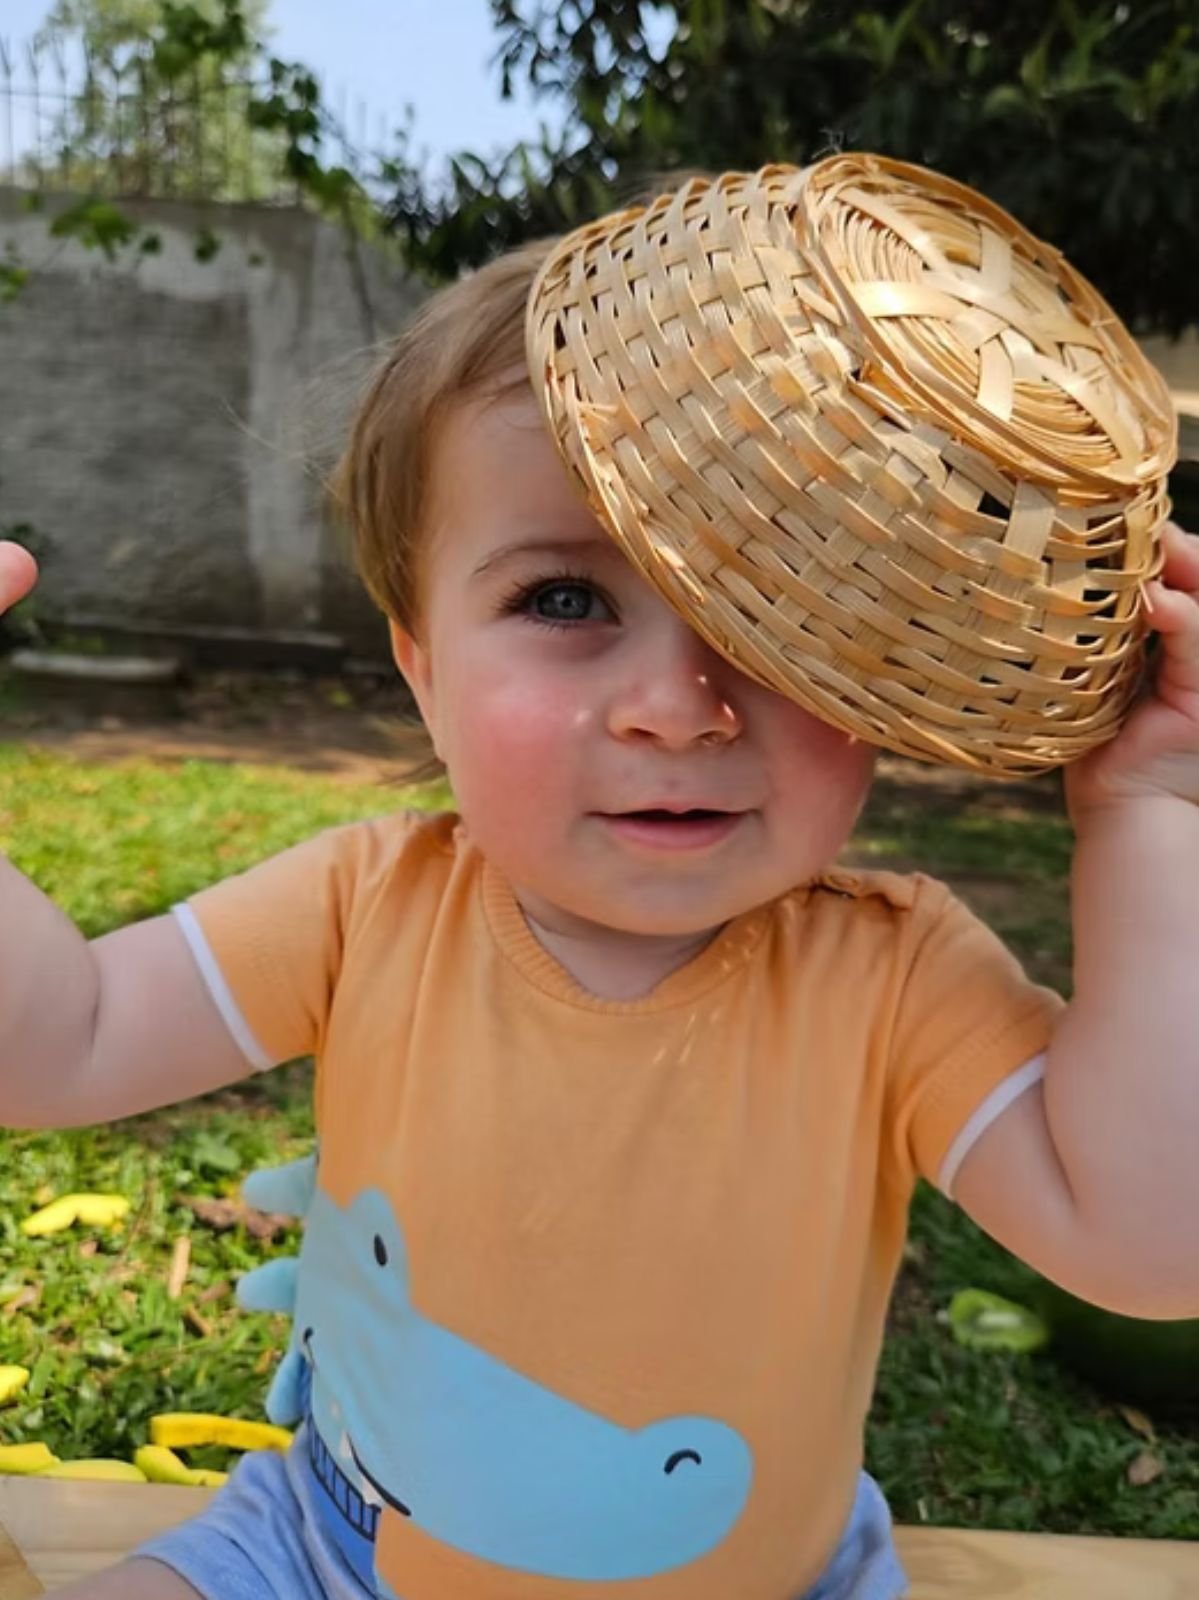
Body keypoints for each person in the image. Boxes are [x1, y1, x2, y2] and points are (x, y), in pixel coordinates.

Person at [1, 227, 1197, 1600]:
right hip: (326, 1556)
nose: (678, 708)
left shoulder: (894, 976)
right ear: (423, 668)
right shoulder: (362, 906)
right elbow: (57, 1045)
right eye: (565, 598)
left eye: (775, 615)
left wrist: (1145, 816)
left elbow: (1152, 1242)